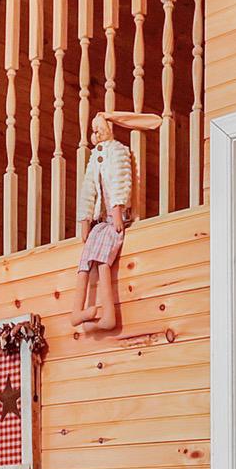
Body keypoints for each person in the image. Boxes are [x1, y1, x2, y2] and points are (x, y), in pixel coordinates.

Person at [73, 111, 161, 335]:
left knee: (103, 261)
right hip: (100, 222)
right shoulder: (95, 157)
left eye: (98, 129)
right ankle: (76, 311)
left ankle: (109, 315)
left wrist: (117, 208)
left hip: (114, 220)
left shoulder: (118, 152)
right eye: (93, 131)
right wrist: (85, 219)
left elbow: (120, 181)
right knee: (85, 262)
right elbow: (89, 188)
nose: (96, 134)